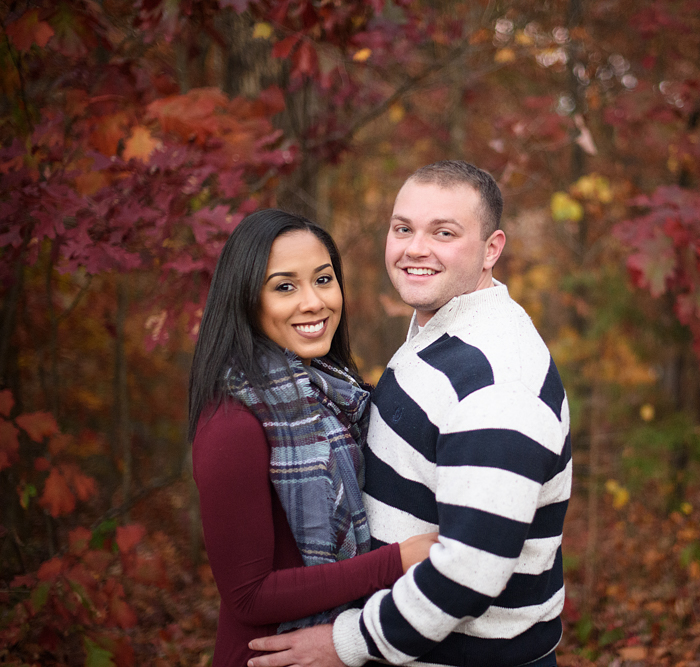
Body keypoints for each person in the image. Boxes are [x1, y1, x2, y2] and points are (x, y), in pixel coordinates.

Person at [248, 161, 572, 667]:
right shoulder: (438, 336)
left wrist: (346, 642)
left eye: (443, 232)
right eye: (403, 229)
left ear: (492, 249)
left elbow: (471, 570)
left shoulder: (497, 380)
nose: (414, 248)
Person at [188, 209, 438, 667]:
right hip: (272, 654)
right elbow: (248, 595)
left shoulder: (337, 392)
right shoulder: (232, 424)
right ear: (246, 299)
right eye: (285, 286)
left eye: (323, 280)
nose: (314, 302)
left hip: (336, 648)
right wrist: (396, 561)